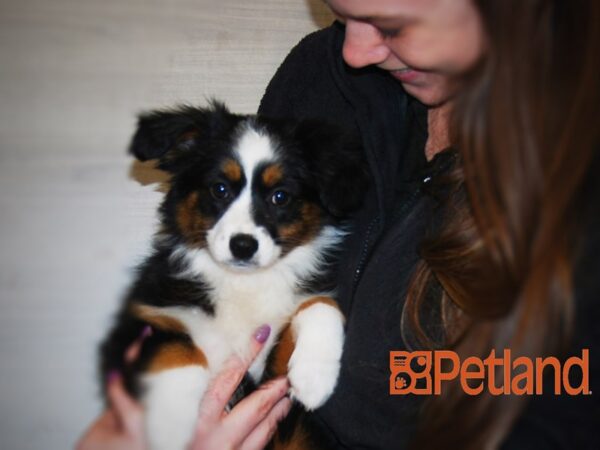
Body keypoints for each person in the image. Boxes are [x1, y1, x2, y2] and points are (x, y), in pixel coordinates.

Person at [78, 0, 600, 448]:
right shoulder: (318, 74)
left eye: (390, 24)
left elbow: (559, 399)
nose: (354, 52)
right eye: (339, 13)